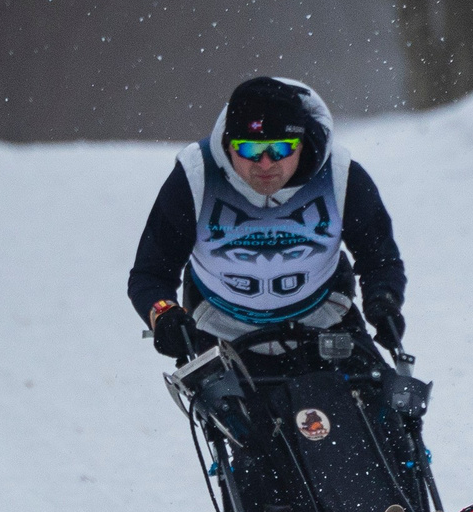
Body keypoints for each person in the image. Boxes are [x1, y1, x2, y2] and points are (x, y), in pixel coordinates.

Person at [127, 76, 406, 362]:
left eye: (280, 148)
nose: (265, 164)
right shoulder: (195, 177)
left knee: (391, 402)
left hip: (324, 321)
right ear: (228, 145)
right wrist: (164, 314)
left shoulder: (341, 176)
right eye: (250, 149)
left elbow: (379, 259)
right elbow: (151, 274)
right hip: (219, 331)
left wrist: (383, 300)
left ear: (301, 143)